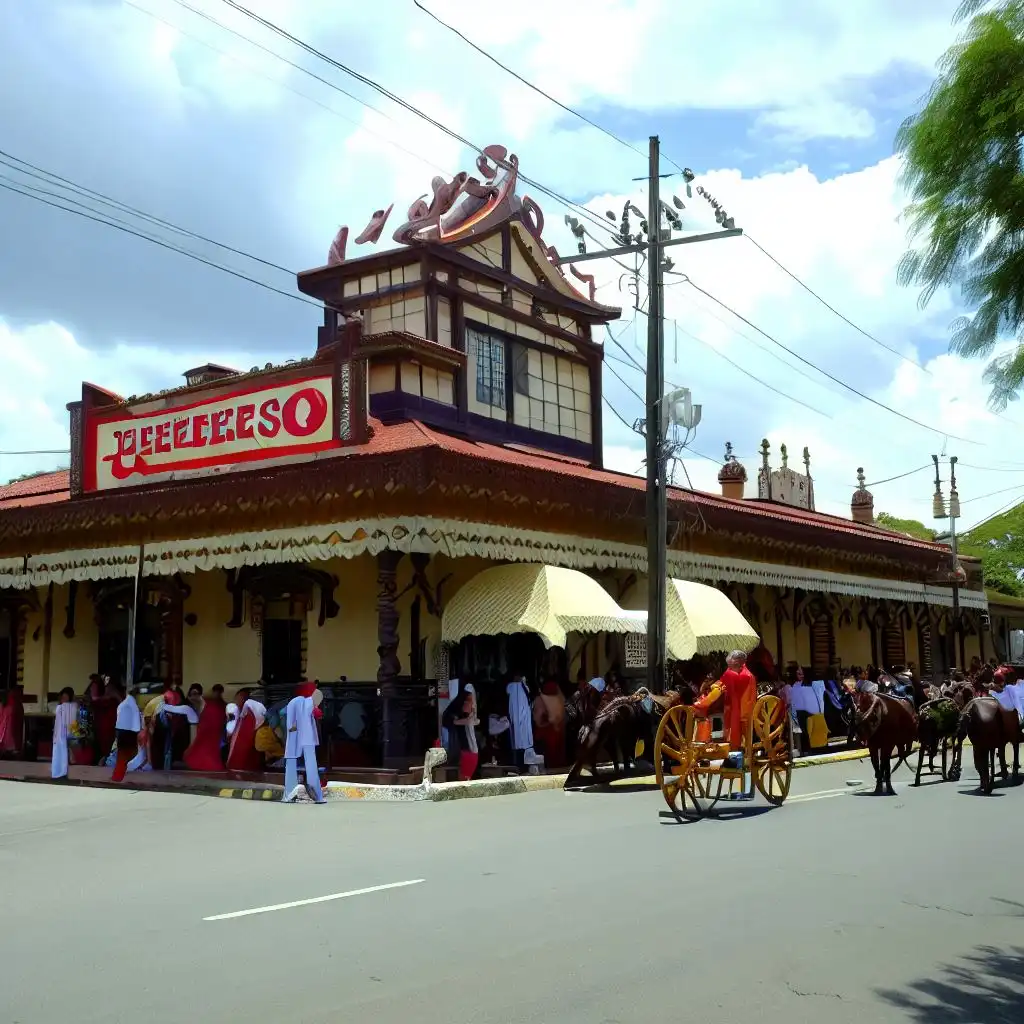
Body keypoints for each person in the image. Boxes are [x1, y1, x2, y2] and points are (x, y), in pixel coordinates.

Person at [283, 681, 325, 803]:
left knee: (291, 762)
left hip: (294, 735)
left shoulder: (293, 702)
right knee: (311, 765)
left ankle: (289, 793)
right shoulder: (307, 702)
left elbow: (289, 720)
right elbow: (317, 710)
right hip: (307, 737)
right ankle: (316, 795)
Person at [183, 685, 227, 772]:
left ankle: (203, 763)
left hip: (211, 730)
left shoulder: (211, 702)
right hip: (208, 729)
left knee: (207, 748)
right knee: (205, 747)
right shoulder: (213, 703)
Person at [226, 688, 267, 772]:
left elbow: (242, 742)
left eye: (237, 698)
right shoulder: (241, 714)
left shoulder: (249, 714)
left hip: (244, 765)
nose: (236, 702)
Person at [532, 679, 567, 769]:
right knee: (557, 755)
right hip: (557, 731)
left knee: (551, 755)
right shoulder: (559, 699)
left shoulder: (541, 699)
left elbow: (538, 720)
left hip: (548, 731)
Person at [111, 687, 143, 783]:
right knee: (127, 754)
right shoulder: (132, 705)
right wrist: (138, 731)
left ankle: (118, 775)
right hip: (129, 732)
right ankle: (118, 776)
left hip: (121, 731)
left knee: (122, 755)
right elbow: (136, 720)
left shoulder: (122, 705)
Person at [452, 690, 480, 781]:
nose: (469, 704)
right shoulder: (462, 716)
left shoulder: (470, 719)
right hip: (469, 752)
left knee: (464, 776)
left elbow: (473, 721)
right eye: (467, 701)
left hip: (469, 752)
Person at [51, 687, 77, 780]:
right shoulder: (61, 708)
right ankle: (59, 772)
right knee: (59, 753)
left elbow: (71, 724)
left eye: (66, 697)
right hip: (60, 735)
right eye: (63, 697)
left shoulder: (68, 708)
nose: (64, 700)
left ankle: (61, 772)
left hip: (65, 735)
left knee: (63, 752)